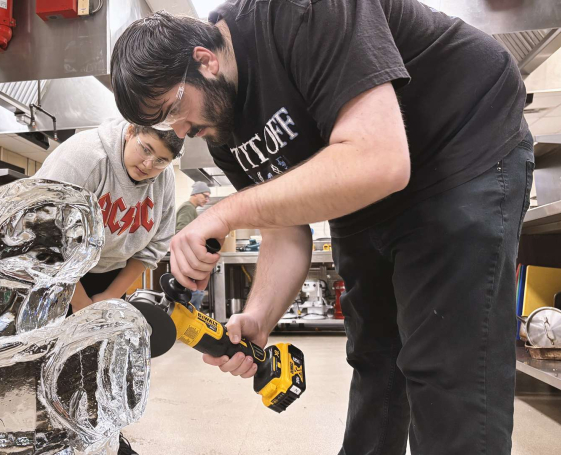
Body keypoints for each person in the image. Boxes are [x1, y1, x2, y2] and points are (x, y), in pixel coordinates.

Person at [110, 2, 533, 454]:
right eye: (162, 124)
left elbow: (379, 159)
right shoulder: (221, 128)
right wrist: (259, 316)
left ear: (204, 60)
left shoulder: (299, 11)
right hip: (367, 194)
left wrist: (227, 211)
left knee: (447, 371)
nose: (181, 130)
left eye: (174, 107)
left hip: (460, 148)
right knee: (376, 359)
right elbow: (284, 227)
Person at [34, 119, 183, 315]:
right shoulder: (83, 156)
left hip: (111, 278)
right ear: (131, 131)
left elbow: (156, 244)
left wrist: (111, 296)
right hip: (52, 274)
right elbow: (43, 233)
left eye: (161, 161)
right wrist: (79, 301)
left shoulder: (164, 175)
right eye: (146, 149)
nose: (148, 164)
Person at [176, 181, 211, 309]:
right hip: (188, 256)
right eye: (205, 196)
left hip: (190, 255)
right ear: (195, 194)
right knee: (193, 294)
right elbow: (180, 231)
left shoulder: (192, 209)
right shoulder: (187, 208)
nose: (207, 200)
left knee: (195, 292)